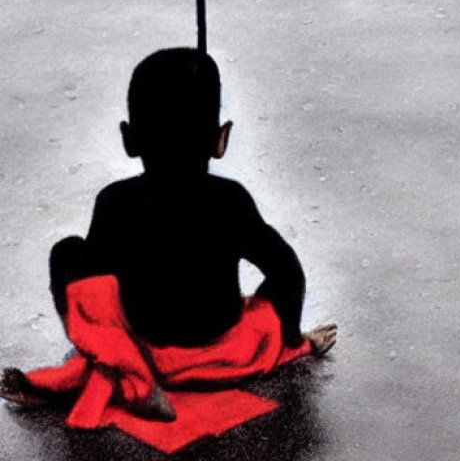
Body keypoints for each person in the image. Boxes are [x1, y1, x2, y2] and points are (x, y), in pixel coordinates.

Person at [1, 48, 336, 417]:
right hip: (224, 356)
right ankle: (264, 342)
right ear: (220, 139)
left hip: (143, 348)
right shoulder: (230, 200)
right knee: (273, 292)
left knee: (67, 253)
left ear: (129, 139)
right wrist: (291, 339)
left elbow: (96, 289)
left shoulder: (115, 202)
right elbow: (288, 273)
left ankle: (121, 370)